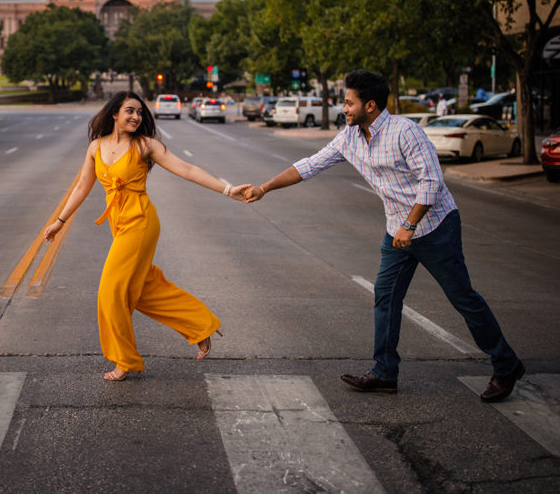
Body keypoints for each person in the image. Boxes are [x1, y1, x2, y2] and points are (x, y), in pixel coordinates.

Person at [244, 70, 525, 402]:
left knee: (463, 298)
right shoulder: (349, 137)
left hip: (435, 227)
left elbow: (432, 183)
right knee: (386, 298)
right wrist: (264, 188)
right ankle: (384, 372)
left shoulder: (406, 132)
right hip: (397, 231)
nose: (343, 108)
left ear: (371, 105)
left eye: (348, 103)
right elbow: (309, 165)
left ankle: (506, 364)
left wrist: (410, 225)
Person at [44, 91, 250, 381]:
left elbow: (187, 169)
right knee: (142, 287)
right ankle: (200, 326)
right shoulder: (95, 147)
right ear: (114, 113)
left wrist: (228, 190)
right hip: (118, 224)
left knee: (111, 291)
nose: (136, 117)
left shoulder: (144, 145)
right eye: (130, 111)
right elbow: (81, 187)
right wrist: (60, 221)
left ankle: (123, 360)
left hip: (140, 222)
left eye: (140, 113)